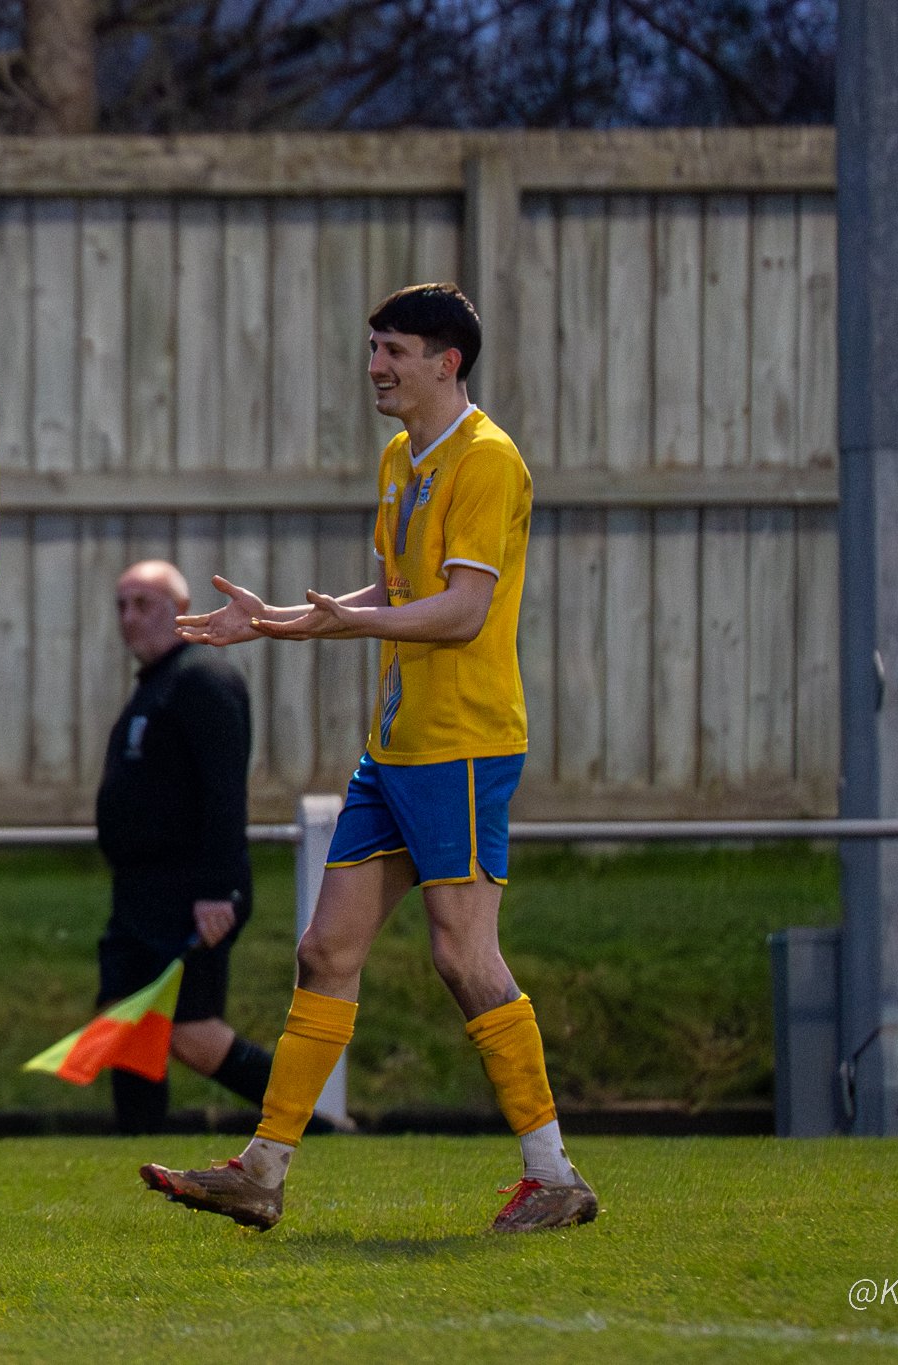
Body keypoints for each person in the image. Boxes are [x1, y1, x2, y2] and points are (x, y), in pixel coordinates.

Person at [139, 283, 598, 1234]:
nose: (377, 365)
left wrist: (356, 621)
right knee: (324, 949)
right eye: (374, 347)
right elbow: (391, 590)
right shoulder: (402, 457)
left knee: (465, 958)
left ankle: (554, 1174)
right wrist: (276, 622)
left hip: (463, 749)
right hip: (394, 751)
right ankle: (263, 1169)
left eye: (394, 350)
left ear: (447, 363)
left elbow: (464, 610)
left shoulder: (489, 460)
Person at [94, 560, 276, 1135]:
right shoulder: (156, 687)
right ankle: (136, 1154)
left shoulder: (203, 680)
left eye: (143, 603)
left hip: (191, 890)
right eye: (122, 605)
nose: (129, 618)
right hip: (140, 892)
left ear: (181, 608)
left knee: (192, 1033)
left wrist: (217, 889)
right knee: (125, 1029)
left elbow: (224, 794)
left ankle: (308, 1118)